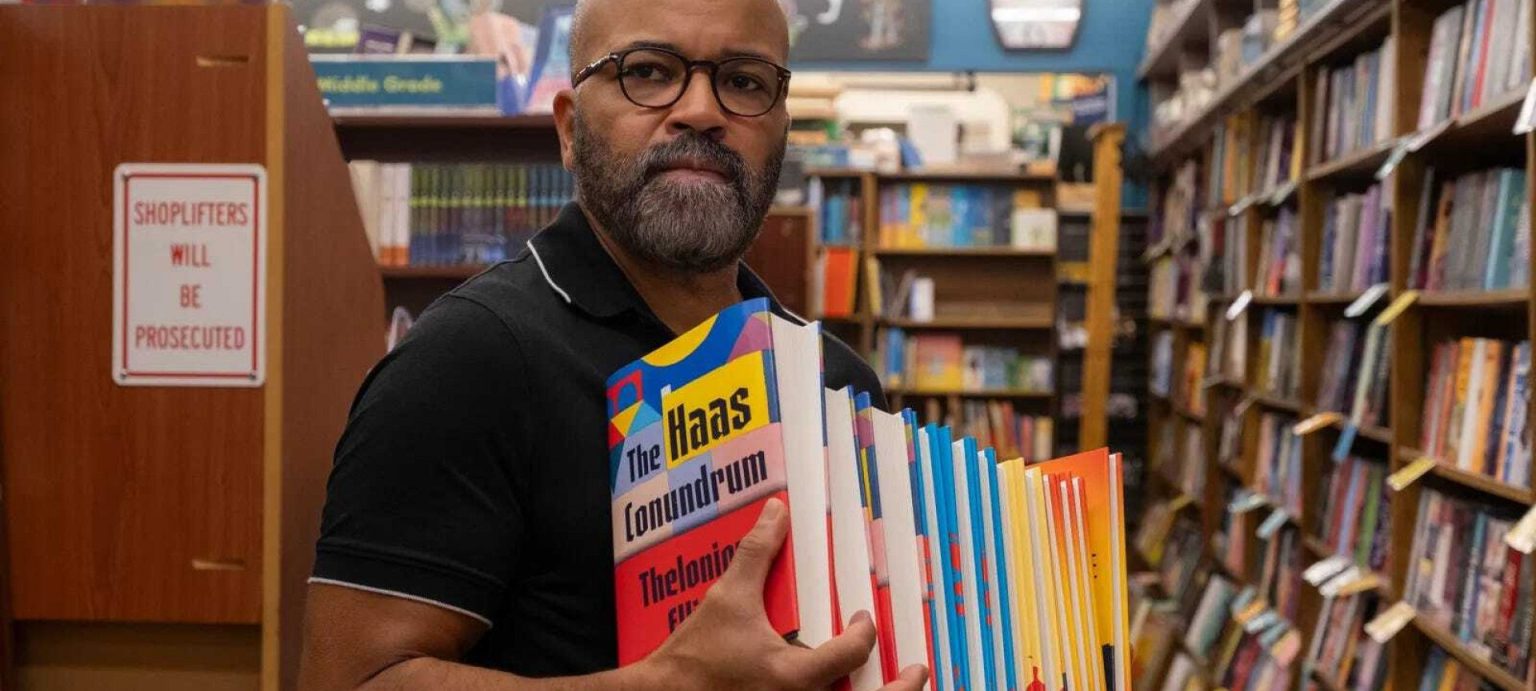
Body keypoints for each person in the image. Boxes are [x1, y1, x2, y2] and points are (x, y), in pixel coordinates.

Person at [297, 0, 928, 688]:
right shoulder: (465, 360)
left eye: (744, 81)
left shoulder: (837, 384)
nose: (700, 111)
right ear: (570, 129)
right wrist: (671, 683)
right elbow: (349, 679)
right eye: (648, 72)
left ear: (781, 129)